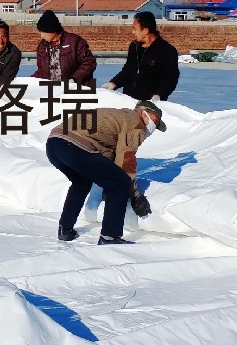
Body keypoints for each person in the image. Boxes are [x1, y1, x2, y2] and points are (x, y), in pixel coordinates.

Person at [46, 100, 165, 245]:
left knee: (81, 183)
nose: (154, 126)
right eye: (154, 120)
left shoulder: (119, 116)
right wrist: (136, 196)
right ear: (143, 112)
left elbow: (106, 155)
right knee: (120, 184)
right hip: (75, 145)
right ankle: (110, 237)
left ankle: (65, 228)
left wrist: (107, 180)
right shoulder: (136, 122)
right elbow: (126, 159)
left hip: (54, 144)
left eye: (157, 124)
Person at [103, 11, 179, 101]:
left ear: (145, 30)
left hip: (150, 103)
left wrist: (159, 94)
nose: (133, 32)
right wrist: (113, 83)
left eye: (135, 29)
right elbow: (128, 70)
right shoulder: (134, 46)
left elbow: (170, 79)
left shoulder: (167, 51)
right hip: (129, 100)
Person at [31, 10, 96, 83]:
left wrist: (74, 79)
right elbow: (42, 71)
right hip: (54, 88)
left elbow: (89, 63)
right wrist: (29, 81)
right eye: (40, 32)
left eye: (44, 32)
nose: (41, 36)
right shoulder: (42, 46)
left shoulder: (75, 42)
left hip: (76, 87)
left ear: (53, 31)